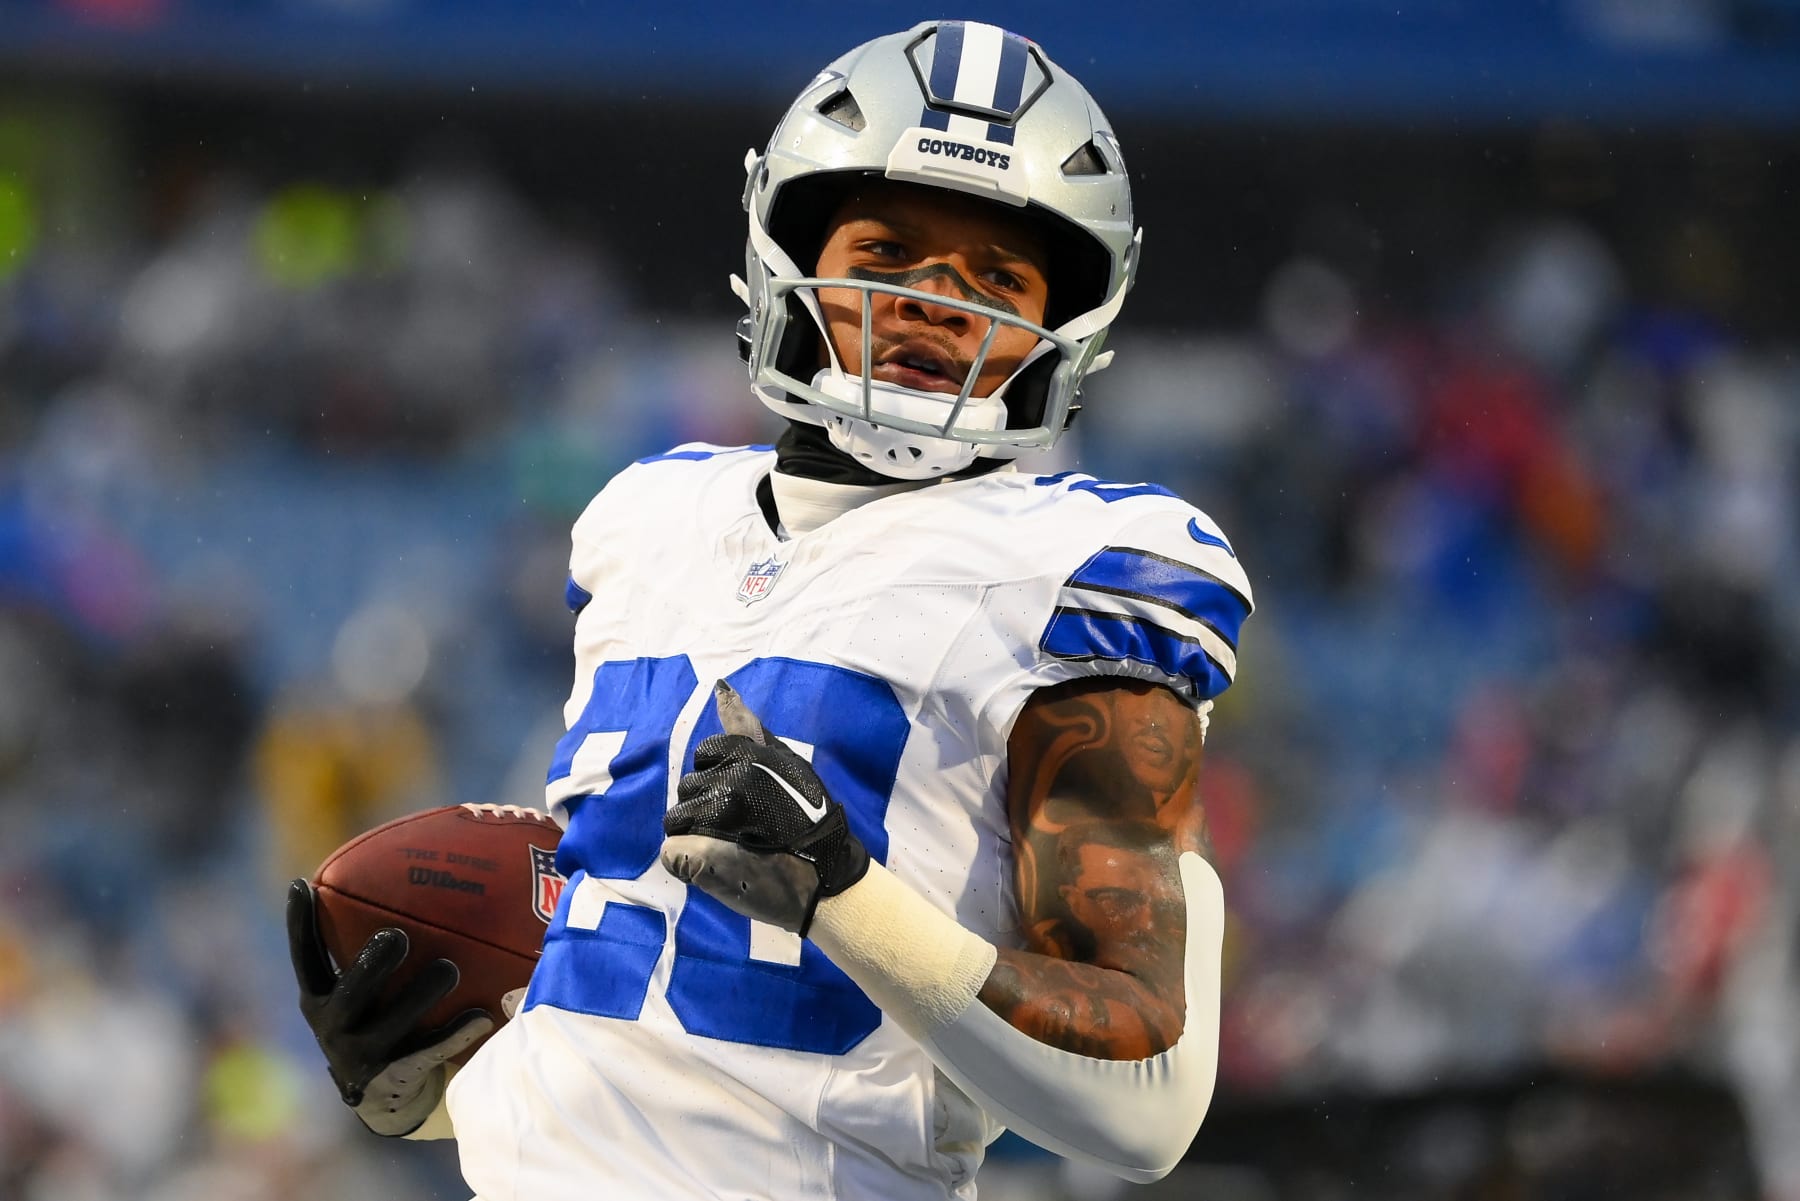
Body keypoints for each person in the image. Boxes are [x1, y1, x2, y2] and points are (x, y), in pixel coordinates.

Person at [286, 19, 1255, 1199]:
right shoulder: (647, 521)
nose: (939, 304)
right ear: (786, 248)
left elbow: (1145, 1099)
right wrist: (446, 1080)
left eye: (1000, 279)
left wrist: (844, 891)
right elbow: (666, 1008)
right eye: (890, 250)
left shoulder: (1081, 565)